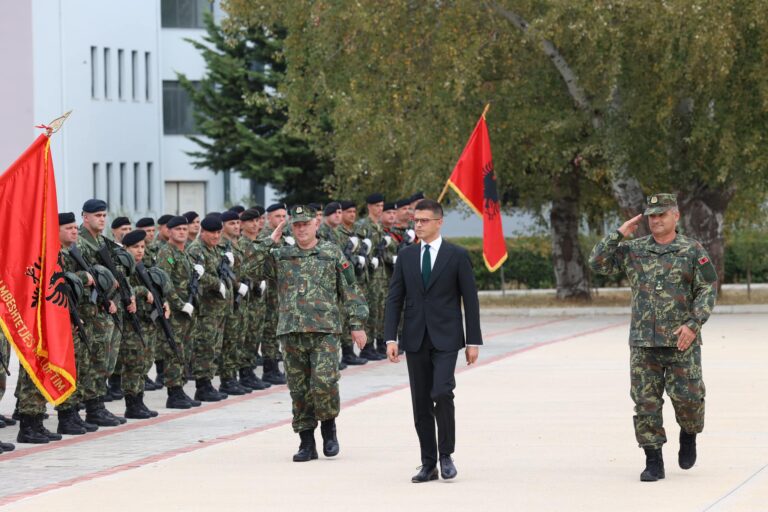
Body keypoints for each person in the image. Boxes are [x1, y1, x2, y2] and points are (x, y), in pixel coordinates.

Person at [589, 193, 717, 482]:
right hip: (644, 343)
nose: (656, 220)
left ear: (676, 216)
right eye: (652, 216)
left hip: (682, 342)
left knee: (689, 399)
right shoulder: (634, 250)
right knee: (645, 403)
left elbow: (707, 289)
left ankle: (689, 433)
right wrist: (618, 234)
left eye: (662, 214)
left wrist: (693, 324)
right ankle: (653, 460)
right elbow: (597, 263)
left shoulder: (692, 250)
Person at [384, 198, 482, 483]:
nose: (418, 225)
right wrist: (391, 337)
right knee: (420, 403)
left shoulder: (457, 255)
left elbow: (470, 300)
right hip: (415, 338)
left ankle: (446, 455)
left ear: (439, 222)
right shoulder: (406, 256)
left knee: (441, 392)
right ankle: (428, 463)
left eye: (424, 220)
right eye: (416, 220)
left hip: (446, 337)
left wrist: (473, 340)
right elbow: (394, 299)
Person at [266, 205, 368, 462]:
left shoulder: (331, 253)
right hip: (291, 331)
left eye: (305, 224)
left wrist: (356, 324)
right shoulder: (282, 255)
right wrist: (269, 240)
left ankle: (329, 428)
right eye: (296, 224)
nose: (301, 229)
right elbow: (251, 267)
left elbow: (351, 289)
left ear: (316, 225)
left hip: (324, 331)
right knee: (299, 390)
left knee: (323, 383)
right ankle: (306, 442)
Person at [156, 216, 202, 409]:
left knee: (185, 349)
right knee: (174, 351)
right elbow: (164, 282)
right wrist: (179, 304)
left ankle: (180, 388)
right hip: (175, 312)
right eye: (178, 229)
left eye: (185, 228)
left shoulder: (184, 253)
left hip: (187, 311)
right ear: (170, 231)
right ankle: (173, 393)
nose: (182, 232)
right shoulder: (166, 252)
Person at [186, 215, 233, 402]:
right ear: (202, 232)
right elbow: (197, 274)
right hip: (206, 309)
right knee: (205, 347)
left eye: (218, 233)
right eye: (212, 233)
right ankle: (202, 385)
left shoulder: (215, 249)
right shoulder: (196, 250)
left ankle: (209, 382)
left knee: (215, 346)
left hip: (218, 309)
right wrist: (216, 283)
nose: (216, 236)